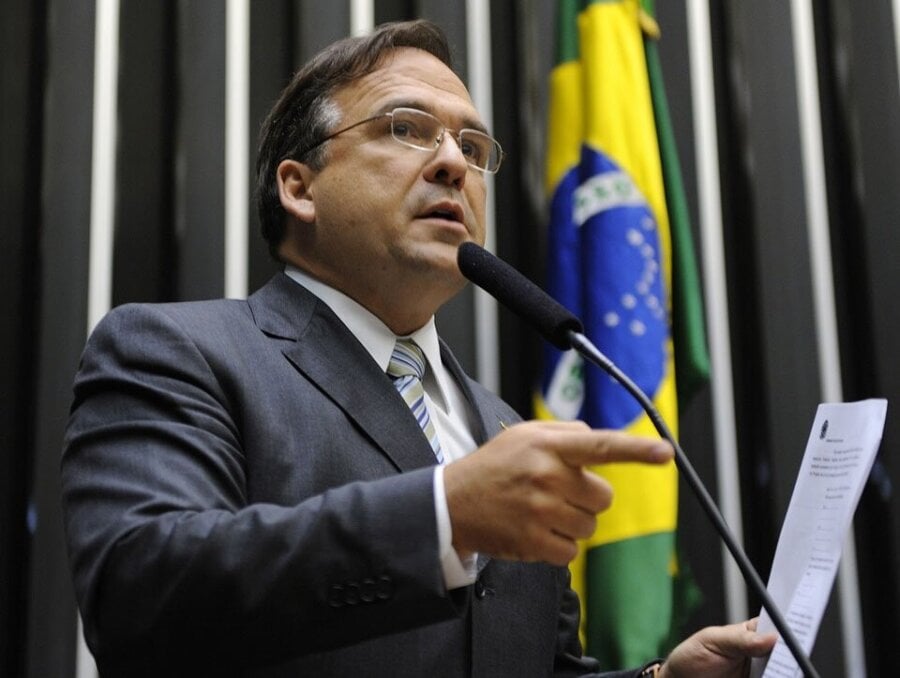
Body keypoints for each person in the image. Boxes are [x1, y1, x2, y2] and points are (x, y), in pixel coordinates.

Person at [61, 19, 775, 677]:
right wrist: (442, 516)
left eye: (471, 146)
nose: (452, 165)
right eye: (407, 129)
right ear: (299, 187)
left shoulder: (503, 428)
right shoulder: (180, 352)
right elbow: (140, 595)